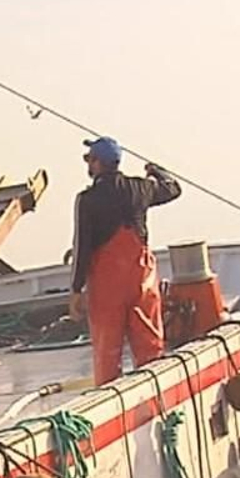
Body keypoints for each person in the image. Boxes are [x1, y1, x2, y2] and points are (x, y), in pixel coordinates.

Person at [68, 136, 182, 385]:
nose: (88, 164)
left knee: (107, 355)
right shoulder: (140, 188)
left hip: (107, 288)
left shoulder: (86, 200)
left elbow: (82, 248)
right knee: (151, 349)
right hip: (141, 281)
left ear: (97, 163)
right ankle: (158, 400)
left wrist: (76, 290)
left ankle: (111, 405)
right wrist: (157, 171)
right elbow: (173, 188)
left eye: (89, 159)